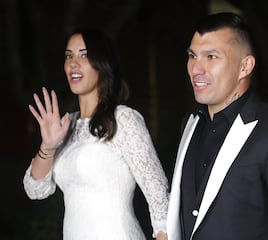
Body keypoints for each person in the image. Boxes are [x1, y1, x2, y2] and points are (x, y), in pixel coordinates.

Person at [166, 12, 268, 240]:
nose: (196, 69)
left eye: (211, 57)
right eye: (192, 56)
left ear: (245, 66)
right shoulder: (190, 123)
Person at [23, 27, 169, 240]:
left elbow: (159, 200)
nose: (74, 63)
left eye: (84, 55)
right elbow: (35, 189)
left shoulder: (123, 119)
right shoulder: (66, 125)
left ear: (102, 64)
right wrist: (48, 146)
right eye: (69, 56)